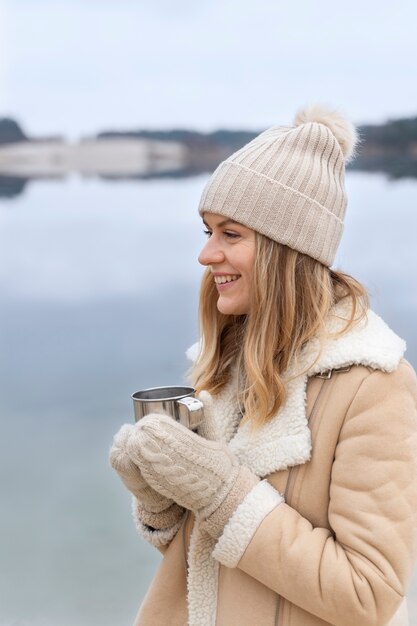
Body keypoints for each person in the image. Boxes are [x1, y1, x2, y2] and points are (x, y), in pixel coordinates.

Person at [109, 104, 417, 626]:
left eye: (230, 235)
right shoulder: (228, 362)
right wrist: (160, 500)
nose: (206, 256)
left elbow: (369, 597)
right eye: (206, 231)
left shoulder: (373, 385)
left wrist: (221, 492)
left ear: (286, 249)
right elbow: (211, 559)